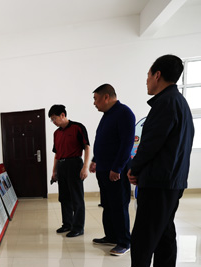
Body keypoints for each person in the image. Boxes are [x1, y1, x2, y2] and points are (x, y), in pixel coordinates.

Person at [104, 54, 194, 267]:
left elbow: (151, 143)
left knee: (144, 231)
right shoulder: (179, 102)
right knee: (164, 230)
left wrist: (134, 168)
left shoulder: (165, 103)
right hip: (171, 180)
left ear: (157, 75)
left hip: (159, 181)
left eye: (148, 75)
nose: (146, 80)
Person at [89, 84, 136, 256]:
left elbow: (126, 144)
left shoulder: (124, 113)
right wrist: (95, 160)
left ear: (106, 97)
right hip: (103, 169)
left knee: (119, 205)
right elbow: (104, 141)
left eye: (96, 99)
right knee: (107, 205)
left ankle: (124, 242)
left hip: (116, 171)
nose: (94, 103)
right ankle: (111, 236)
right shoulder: (107, 115)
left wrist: (117, 168)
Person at [49, 104, 91, 237]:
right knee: (64, 197)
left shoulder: (78, 127)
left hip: (74, 164)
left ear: (62, 115)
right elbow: (57, 154)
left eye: (54, 118)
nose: (53, 122)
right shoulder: (56, 133)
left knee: (76, 197)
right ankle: (67, 224)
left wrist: (85, 167)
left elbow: (87, 147)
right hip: (61, 166)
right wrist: (54, 171)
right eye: (51, 120)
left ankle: (78, 227)